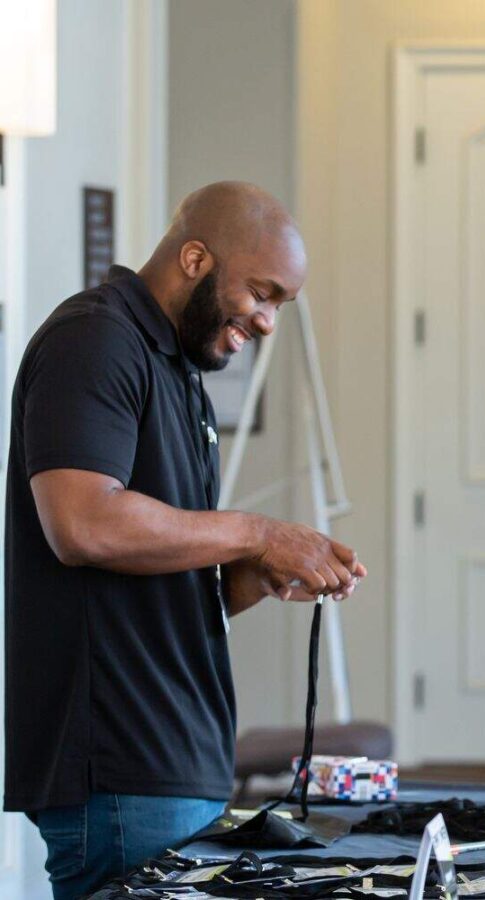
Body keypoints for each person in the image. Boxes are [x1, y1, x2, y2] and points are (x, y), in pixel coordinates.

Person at [3, 181, 368, 900]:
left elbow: (157, 579)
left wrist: (257, 573)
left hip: (175, 768)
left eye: (280, 307)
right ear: (196, 257)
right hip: (120, 775)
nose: (266, 323)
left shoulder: (180, 374)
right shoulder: (94, 341)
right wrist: (258, 531)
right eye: (261, 294)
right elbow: (82, 525)